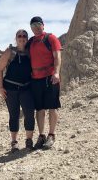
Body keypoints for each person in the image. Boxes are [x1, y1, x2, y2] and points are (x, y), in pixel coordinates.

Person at [0, 29, 35, 151]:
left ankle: (29, 140)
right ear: (16, 38)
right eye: (20, 36)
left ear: (27, 38)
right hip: (11, 89)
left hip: (26, 88)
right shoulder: (10, 52)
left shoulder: (30, 52)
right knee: (14, 115)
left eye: (24, 36)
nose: (22, 38)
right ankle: (14, 142)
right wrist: (0, 87)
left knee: (29, 114)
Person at [28, 16, 62, 149]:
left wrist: (57, 72)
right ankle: (41, 136)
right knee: (39, 109)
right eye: (33, 26)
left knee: (52, 107)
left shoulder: (50, 38)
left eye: (38, 24)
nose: (35, 27)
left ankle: (51, 135)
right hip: (35, 79)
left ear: (43, 25)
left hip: (50, 77)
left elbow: (57, 56)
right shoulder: (31, 42)